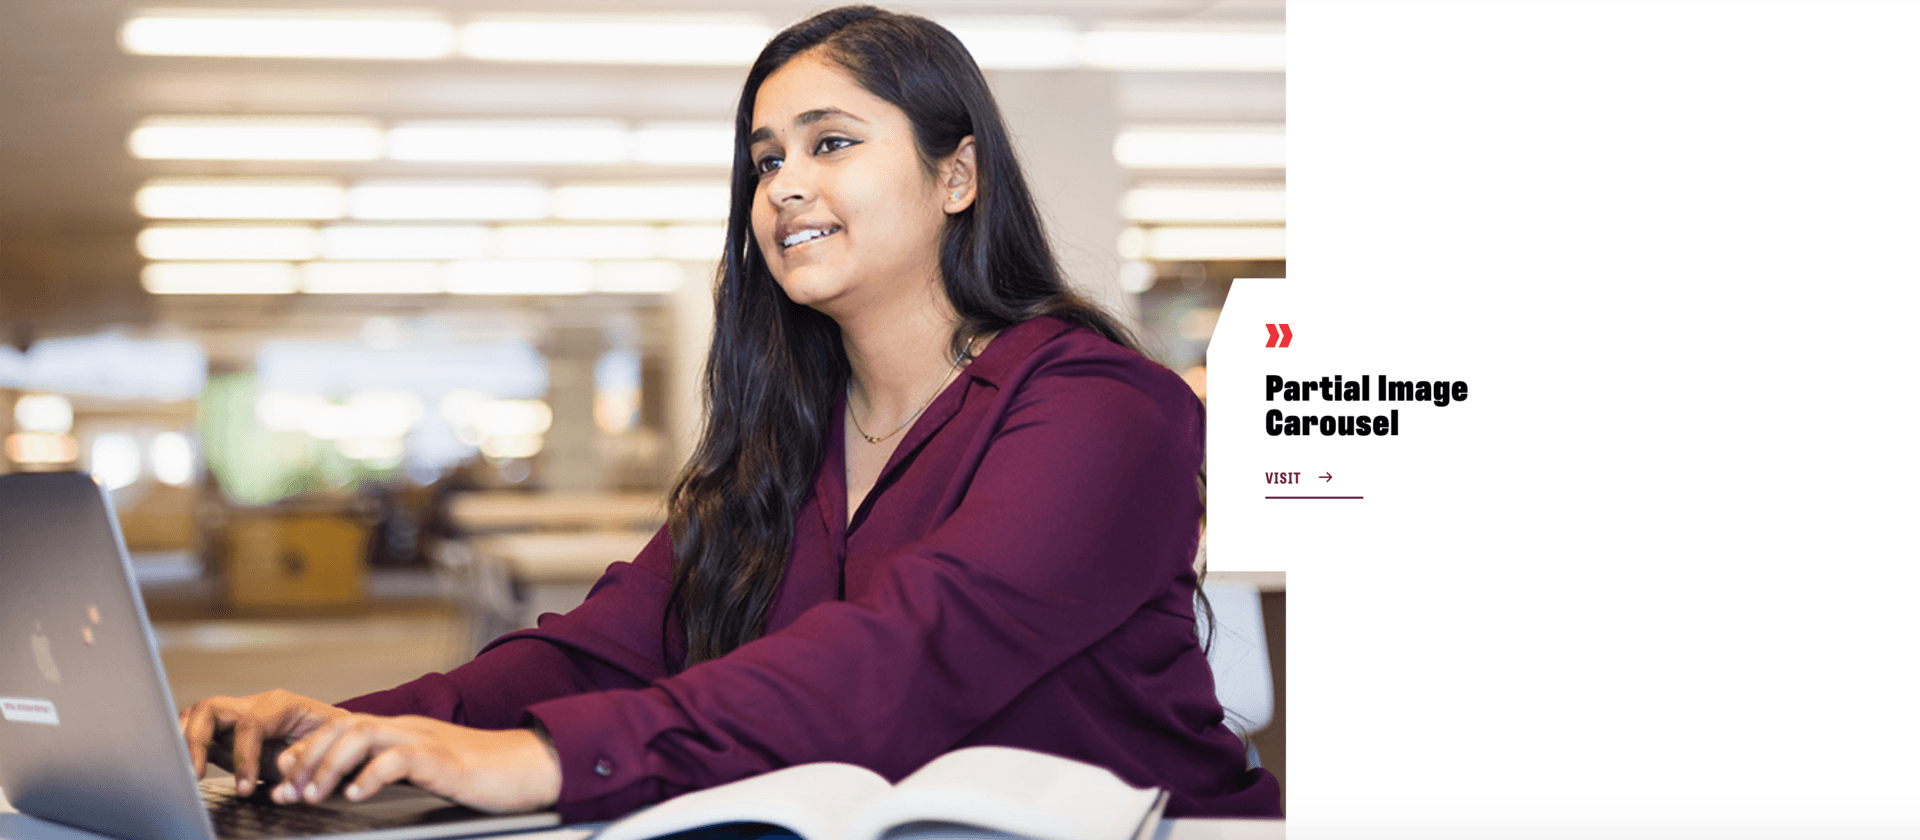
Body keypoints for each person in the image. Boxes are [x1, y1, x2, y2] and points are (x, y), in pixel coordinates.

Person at [177, 4, 1282, 819]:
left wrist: (541, 760)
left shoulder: (1100, 407)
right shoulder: (788, 442)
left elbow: (905, 655)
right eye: (766, 161)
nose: (785, 186)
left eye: (832, 142)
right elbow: (602, 652)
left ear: (958, 177)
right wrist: (357, 726)